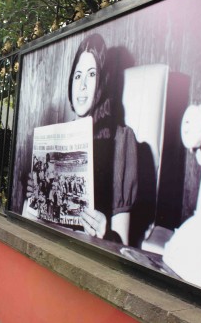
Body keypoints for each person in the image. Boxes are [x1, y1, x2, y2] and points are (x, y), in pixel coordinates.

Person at [67, 34, 138, 245]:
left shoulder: (122, 140)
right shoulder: (61, 135)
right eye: (78, 76)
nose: (82, 86)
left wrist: (104, 231)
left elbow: (122, 241)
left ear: (103, 81)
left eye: (91, 74)